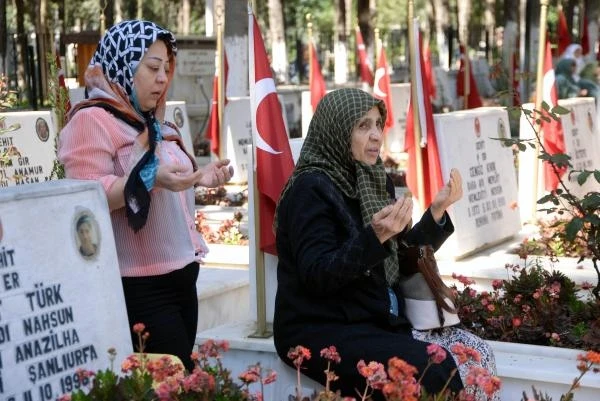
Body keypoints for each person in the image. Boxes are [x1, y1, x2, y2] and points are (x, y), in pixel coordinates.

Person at [273, 88, 498, 401]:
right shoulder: (309, 189)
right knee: (432, 367)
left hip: (373, 317)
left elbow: (399, 259)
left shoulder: (373, 179)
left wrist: (436, 213)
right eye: (363, 126)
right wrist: (374, 237)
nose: (376, 135)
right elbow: (317, 275)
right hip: (321, 326)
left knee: (476, 352)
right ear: (337, 129)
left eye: (378, 124)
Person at [58, 20, 233, 371]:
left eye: (167, 69)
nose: (162, 78)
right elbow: (86, 197)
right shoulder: (92, 121)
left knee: (180, 384)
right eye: (152, 68)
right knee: (173, 385)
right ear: (124, 63)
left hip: (182, 277)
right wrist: (151, 178)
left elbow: (170, 181)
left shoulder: (153, 122)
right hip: (140, 287)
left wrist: (201, 179)